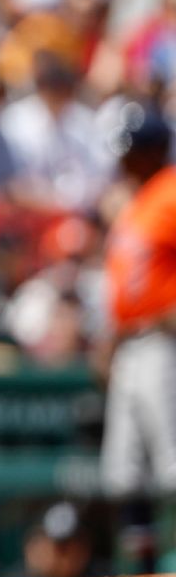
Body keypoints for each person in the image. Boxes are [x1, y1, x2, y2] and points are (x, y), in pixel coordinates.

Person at [99, 100, 176, 501]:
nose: (123, 163)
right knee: (123, 475)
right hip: (130, 343)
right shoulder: (139, 200)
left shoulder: (170, 191)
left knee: (171, 465)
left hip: (163, 341)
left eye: (131, 152)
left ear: (153, 151)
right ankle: (141, 568)